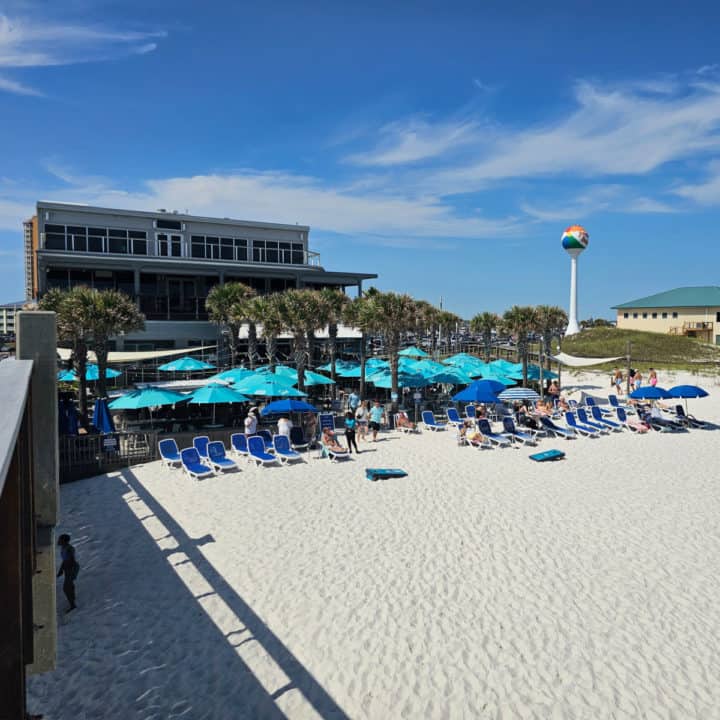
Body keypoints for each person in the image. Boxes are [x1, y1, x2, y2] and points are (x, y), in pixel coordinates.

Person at [57, 533, 79, 613]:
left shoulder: (69, 549)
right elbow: (65, 560)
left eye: (60, 539)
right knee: (69, 585)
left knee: (66, 588)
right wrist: (61, 570)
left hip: (71, 569)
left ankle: (72, 605)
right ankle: (72, 599)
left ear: (64, 541)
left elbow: (70, 560)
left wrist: (68, 570)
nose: (58, 541)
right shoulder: (64, 548)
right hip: (67, 569)